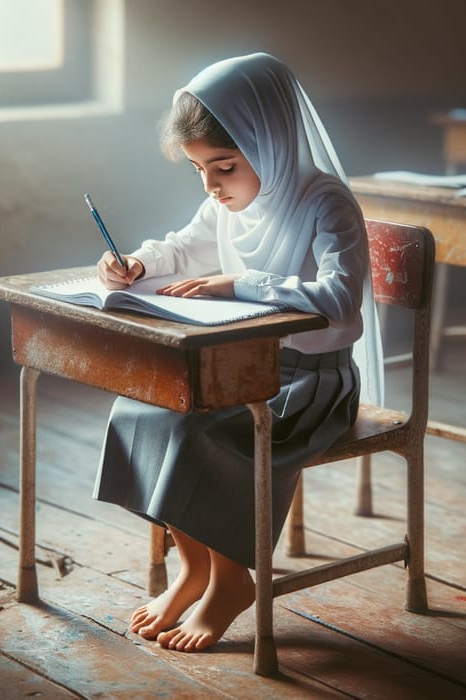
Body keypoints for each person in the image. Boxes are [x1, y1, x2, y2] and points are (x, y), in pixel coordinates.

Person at [94, 52, 383, 653]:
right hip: (243, 370)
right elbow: (183, 247)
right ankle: (193, 569)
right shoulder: (227, 204)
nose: (211, 185)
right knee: (141, 409)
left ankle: (230, 582)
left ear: (269, 143)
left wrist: (239, 282)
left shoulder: (326, 202)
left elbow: (340, 299)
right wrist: (139, 265)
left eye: (223, 166)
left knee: (203, 430)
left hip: (311, 382)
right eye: (199, 169)